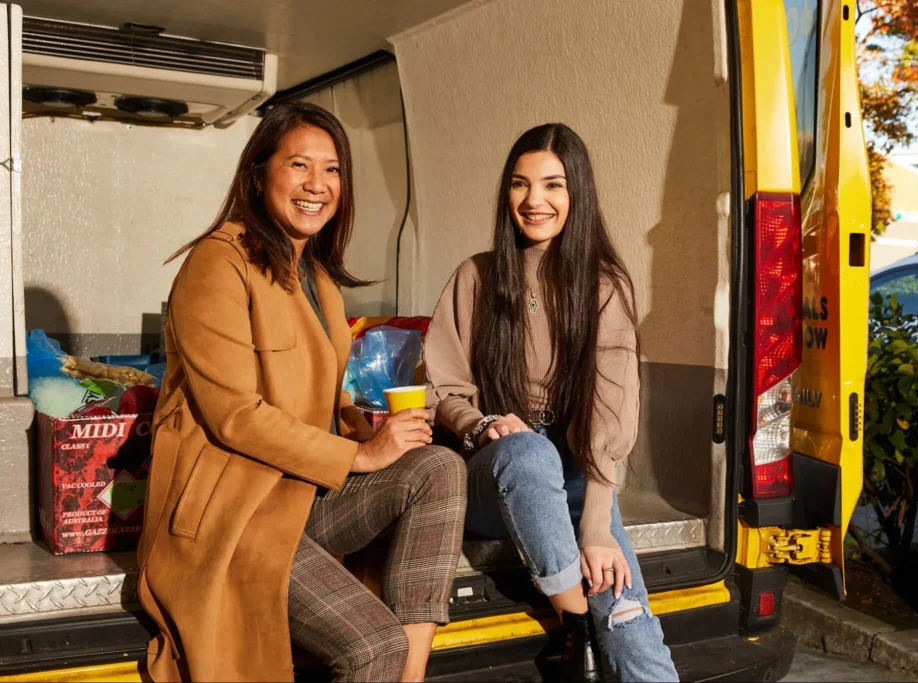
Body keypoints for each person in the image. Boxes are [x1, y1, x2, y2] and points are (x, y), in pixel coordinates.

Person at [137, 102, 467, 683]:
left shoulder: (318, 279)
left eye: (333, 169)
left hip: (304, 501)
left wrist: (380, 434)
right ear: (258, 174)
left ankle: (410, 677)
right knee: (373, 647)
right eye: (299, 165)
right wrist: (362, 456)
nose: (319, 185)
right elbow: (234, 415)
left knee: (437, 467)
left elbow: (333, 402)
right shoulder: (217, 263)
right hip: (237, 518)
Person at [424, 123, 679, 682]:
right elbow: (442, 388)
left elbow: (610, 411)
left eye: (553, 185)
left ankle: (597, 640)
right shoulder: (477, 276)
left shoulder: (604, 284)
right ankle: (579, 623)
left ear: (576, 194)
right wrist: (483, 423)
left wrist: (596, 529)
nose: (534, 200)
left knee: (630, 614)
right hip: (494, 471)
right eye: (520, 184)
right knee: (529, 454)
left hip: (578, 470)